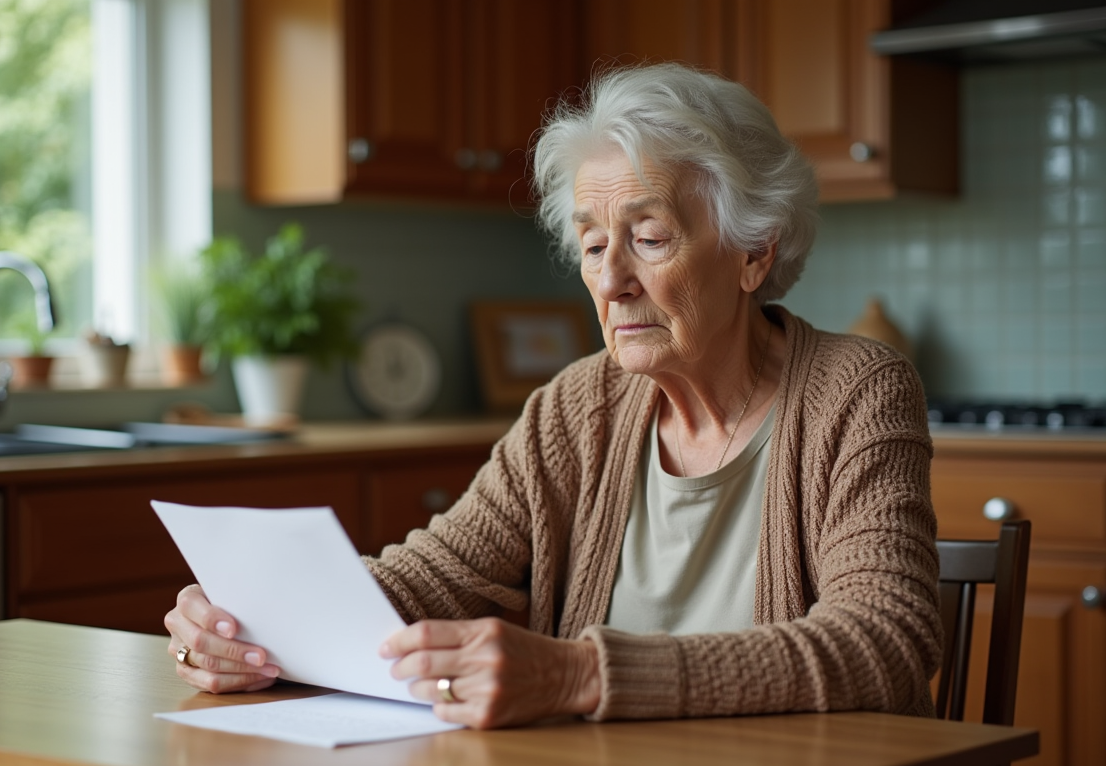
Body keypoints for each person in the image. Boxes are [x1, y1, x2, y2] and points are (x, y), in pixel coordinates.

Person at [164, 63, 941, 730]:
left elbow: (885, 642)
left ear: (752, 251)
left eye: (650, 237)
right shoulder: (578, 407)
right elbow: (437, 574)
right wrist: (255, 621)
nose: (611, 280)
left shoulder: (856, 392)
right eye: (595, 245)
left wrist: (580, 675)